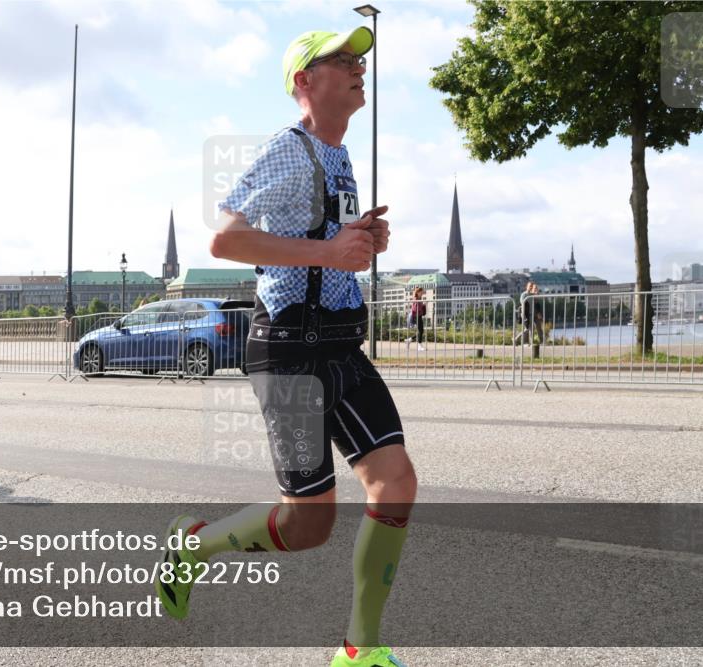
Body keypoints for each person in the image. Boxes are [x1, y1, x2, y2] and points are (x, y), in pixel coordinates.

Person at [155, 28, 415, 667]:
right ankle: (194, 545)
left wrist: (355, 238)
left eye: (361, 61)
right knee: (308, 527)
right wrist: (329, 251)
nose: (359, 69)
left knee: (396, 484)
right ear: (305, 82)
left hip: (339, 345)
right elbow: (226, 241)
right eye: (343, 61)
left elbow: (313, 241)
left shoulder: (340, 155)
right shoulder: (288, 149)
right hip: (290, 353)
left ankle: (361, 649)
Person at [406, 286, 427, 352]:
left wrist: (423, 305)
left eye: (422, 292)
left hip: (419, 315)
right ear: (418, 292)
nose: (422, 293)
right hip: (417, 316)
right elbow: (414, 308)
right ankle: (419, 346)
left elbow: (419, 307)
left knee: (421, 331)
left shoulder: (419, 298)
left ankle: (409, 340)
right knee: (421, 331)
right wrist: (422, 305)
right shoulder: (416, 298)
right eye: (421, 292)